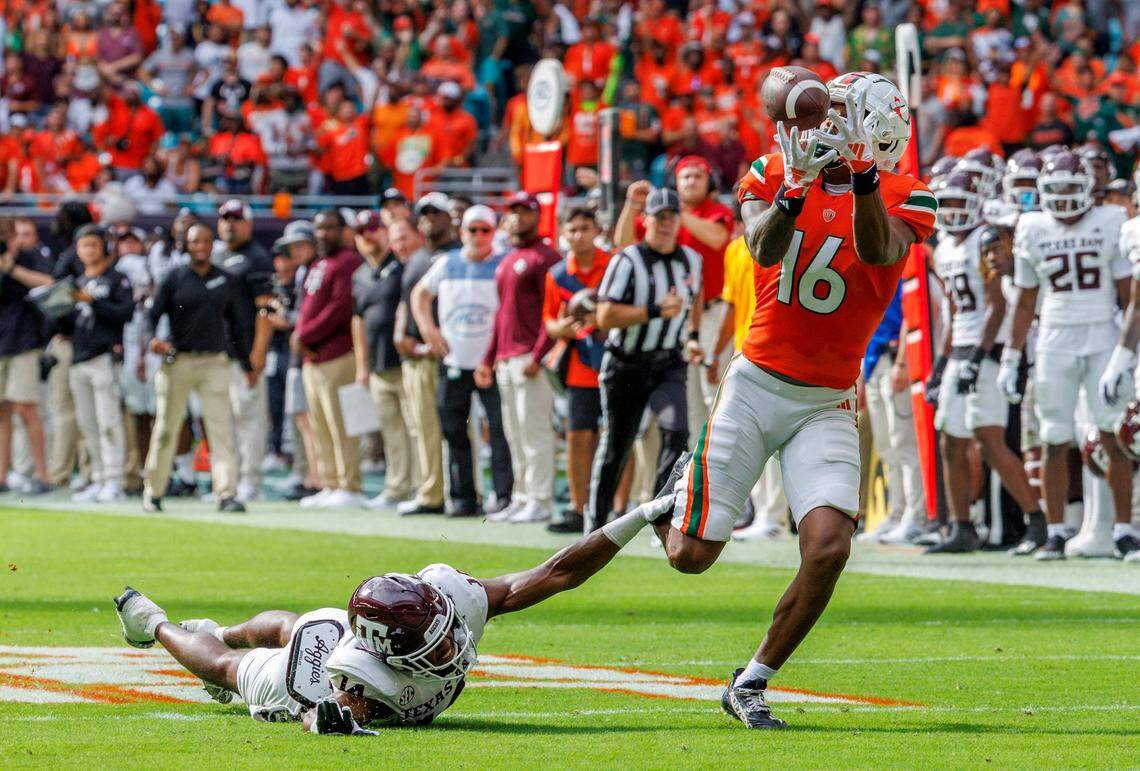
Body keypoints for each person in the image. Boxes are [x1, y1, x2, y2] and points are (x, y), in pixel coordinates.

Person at [633, 74, 936, 728]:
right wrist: (798, 187)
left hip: (827, 397)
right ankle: (677, 494)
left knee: (829, 546)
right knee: (689, 557)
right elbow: (762, 246)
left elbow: (879, 248)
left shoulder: (908, 193)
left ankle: (751, 679)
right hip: (756, 381)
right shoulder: (774, 169)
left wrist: (857, 179)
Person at [112, 504, 655, 730]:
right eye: (436, 648)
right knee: (232, 672)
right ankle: (156, 623)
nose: (454, 648)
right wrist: (330, 716)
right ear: (390, 657)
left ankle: (223, 627)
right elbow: (325, 716)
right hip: (308, 679)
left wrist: (642, 515)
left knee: (293, 624)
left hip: (350, 633)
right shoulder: (352, 673)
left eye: (446, 636)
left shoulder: (446, 601)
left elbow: (555, 573)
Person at [1002, 152, 1133, 560]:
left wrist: (1129, 352)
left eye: (1068, 190)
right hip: (1054, 339)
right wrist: (1011, 354)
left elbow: (1129, 295)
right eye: (1054, 190)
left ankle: (1125, 530)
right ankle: (1057, 531)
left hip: (1101, 334)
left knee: (1113, 436)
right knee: (1054, 437)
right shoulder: (1032, 226)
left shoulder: (1111, 222)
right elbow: (1025, 300)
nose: (1061, 198)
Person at [922, 171, 1046, 554]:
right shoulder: (943, 247)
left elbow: (997, 306)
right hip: (960, 351)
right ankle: (961, 527)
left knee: (990, 442)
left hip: (985, 352)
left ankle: (1037, 521)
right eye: (950, 203)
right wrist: (941, 367)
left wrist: (978, 357)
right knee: (950, 442)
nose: (955, 210)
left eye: (961, 202)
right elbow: (954, 314)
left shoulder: (984, 240)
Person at [590, 186, 703, 533]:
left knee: (677, 431)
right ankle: (595, 520)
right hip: (625, 363)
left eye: (672, 216)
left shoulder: (691, 260)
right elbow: (604, 316)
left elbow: (695, 298)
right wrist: (654, 311)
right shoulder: (626, 261)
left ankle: (658, 514)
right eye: (660, 217)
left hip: (668, 363)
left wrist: (694, 336)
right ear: (646, 220)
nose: (667, 223)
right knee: (617, 447)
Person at [617, 155, 731, 438]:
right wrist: (632, 204)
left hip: (712, 314)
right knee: (688, 402)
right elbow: (623, 245)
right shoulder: (662, 217)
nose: (691, 181)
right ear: (675, 182)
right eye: (685, 177)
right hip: (673, 316)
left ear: (710, 181)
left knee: (716, 397)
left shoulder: (716, 211)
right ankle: (691, 474)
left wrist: (675, 210)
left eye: (697, 176)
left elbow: (717, 238)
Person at [411, 205, 513, 518]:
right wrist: (429, 330)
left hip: (490, 361)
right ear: (462, 232)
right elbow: (420, 295)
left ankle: (504, 496)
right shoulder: (447, 263)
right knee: (454, 429)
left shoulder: (502, 262)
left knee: (499, 430)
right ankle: (462, 497)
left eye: (485, 230)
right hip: (454, 358)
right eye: (473, 230)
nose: (479, 236)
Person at [142, 223, 244, 513]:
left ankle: (226, 492)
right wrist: (152, 341)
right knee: (165, 429)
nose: (200, 246)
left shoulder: (225, 279)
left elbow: (238, 322)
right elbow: (151, 315)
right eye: (194, 241)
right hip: (179, 360)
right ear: (186, 245)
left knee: (221, 428)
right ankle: (154, 491)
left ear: (212, 245)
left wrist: (246, 362)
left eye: (205, 241)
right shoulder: (173, 278)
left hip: (214, 361)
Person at [477, 192, 561, 524]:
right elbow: (502, 315)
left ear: (536, 215)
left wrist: (539, 354)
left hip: (529, 357)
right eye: (512, 211)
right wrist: (488, 357)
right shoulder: (508, 258)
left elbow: (552, 310)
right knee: (514, 431)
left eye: (523, 211)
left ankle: (540, 498)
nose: (516, 217)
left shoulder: (545, 257)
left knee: (535, 430)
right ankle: (521, 495)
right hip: (506, 357)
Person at [542, 206, 616, 534]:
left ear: (596, 230)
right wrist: (565, 328)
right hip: (579, 365)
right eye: (572, 229)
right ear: (564, 233)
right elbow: (549, 323)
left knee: (616, 435)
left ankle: (617, 506)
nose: (578, 235)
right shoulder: (557, 274)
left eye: (585, 228)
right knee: (577, 437)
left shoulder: (613, 263)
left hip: (614, 360)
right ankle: (578, 507)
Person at [392, 193, 459, 516]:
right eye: (424, 214)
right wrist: (400, 331)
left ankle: (452, 491)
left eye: (436, 213)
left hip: (447, 355)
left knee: (454, 427)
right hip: (415, 356)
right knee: (422, 427)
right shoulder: (417, 258)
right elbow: (406, 299)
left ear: (450, 218)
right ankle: (430, 491)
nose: (429, 219)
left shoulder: (458, 256)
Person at [294, 210, 366, 509]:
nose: (323, 233)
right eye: (319, 228)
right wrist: (302, 336)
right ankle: (331, 482)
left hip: (336, 353)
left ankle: (349, 483)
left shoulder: (348, 262)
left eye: (330, 228)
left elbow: (339, 308)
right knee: (321, 423)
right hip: (314, 358)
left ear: (343, 231)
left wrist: (304, 335)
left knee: (341, 423)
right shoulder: (320, 263)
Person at [351, 211, 415, 508]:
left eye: (374, 230)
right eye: (363, 232)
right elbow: (358, 321)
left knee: (415, 426)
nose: (369, 236)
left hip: (404, 361)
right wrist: (362, 365)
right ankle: (397, 486)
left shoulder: (401, 266)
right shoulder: (360, 275)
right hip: (377, 365)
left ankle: (420, 486)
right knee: (390, 430)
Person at [214, 199, 275, 504]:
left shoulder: (257, 258)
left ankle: (251, 480)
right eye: (224, 218)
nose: (229, 224)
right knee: (223, 419)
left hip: (246, 351)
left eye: (236, 219)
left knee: (249, 418)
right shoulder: (218, 256)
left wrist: (259, 352)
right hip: (219, 353)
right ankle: (229, 481)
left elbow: (266, 308)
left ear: (248, 224)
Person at [68, 225, 133, 504]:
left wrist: (92, 302)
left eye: (94, 245)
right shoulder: (77, 280)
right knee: (87, 424)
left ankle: (114, 480)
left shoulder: (116, 278)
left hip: (104, 357)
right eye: (84, 246)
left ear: (103, 247)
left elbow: (125, 313)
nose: (89, 250)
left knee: (109, 421)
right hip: (78, 357)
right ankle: (98, 477)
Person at [0, 221, 53, 494]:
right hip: (1, 343)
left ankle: (42, 474)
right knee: (2, 412)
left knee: (26, 408)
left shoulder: (30, 258)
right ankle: (1, 476)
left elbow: (49, 284)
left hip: (23, 341)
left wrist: (12, 269)